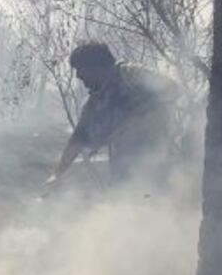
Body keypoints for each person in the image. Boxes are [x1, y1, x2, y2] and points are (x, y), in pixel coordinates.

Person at [46, 42, 175, 191]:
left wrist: (135, 111)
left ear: (96, 67)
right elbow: (79, 137)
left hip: (159, 167)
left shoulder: (131, 74)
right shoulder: (95, 101)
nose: (78, 76)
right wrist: (58, 173)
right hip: (124, 174)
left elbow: (172, 88)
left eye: (81, 69)